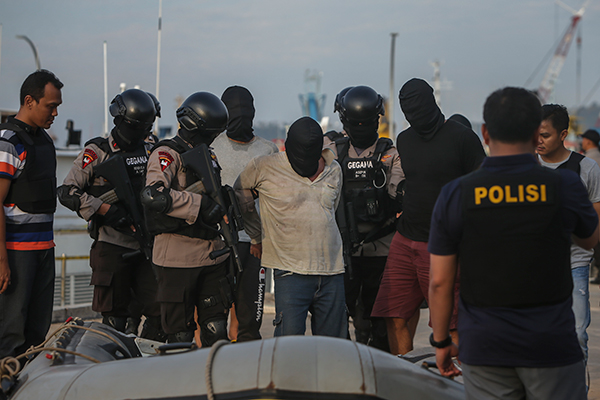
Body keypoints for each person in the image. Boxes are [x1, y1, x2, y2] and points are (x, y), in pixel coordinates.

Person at [429, 87, 596, 399]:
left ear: (485, 133)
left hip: (484, 346)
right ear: (535, 134)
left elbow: (439, 281)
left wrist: (441, 342)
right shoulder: (564, 184)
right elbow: (589, 239)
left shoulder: (456, 193)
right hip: (551, 345)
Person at [371, 78, 485, 355]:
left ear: (432, 102)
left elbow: (482, 189)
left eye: (417, 108)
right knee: (393, 314)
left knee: (451, 323)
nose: (414, 115)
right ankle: (403, 372)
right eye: (407, 110)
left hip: (444, 244)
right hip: (405, 238)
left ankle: (457, 377)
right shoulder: (404, 140)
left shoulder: (462, 138)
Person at [58, 89, 164, 340]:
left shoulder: (151, 150)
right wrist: (105, 209)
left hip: (148, 245)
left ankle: (145, 356)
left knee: (162, 314)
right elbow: (67, 192)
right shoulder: (97, 151)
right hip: (113, 245)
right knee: (115, 319)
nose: (141, 132)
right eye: (136, 126)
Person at [234, 116, 347, 338]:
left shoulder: (334, 169)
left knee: (333, 346)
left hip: (332, 272)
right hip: (290, 273)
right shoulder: (264, 166)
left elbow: (331, 212)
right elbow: (240, 193)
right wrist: (256, 235)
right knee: (288, 345)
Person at [141, 91, 232, 346]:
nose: (213, 138)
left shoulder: (208, 154)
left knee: (216, 331)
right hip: (177, 259)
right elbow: (153, 195)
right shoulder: (167, 154)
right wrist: (199, 205)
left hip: (212, 255)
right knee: (179, 337)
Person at [324, 85, 404, 350]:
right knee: (354, 317)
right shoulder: (389, 154)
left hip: (367, 248)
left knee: (368, 320)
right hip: (351, 249)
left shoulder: (334, 151)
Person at [0, 69, 62, 358]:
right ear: (29, 101)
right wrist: (2, 260)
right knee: (11, 333)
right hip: (16, 254)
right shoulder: (9, 141)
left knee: (37, 332)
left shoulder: (44, 140)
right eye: (51, 106)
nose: (55, 113)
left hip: (43, 250)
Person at [211, 85, 279, 342]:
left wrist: (261, 238)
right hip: (217, 242)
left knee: (249, 318)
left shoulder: (268, 150)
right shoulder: (211, 146)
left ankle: (242, 361)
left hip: (254, 245)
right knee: (213, 317)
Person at [536, 104, 600, 362]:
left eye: (545, 135)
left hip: (574, 263)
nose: (538, 141)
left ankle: (576, 385)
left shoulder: (587, 168)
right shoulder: (526, 165)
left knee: (576, 336)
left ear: (563, 135)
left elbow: (595, 222)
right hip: (532, 265)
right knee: (536, 337)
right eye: (535, 134)